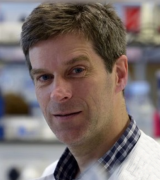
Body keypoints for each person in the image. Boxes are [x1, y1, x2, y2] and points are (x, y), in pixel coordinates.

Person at [20, 3, 160, 180]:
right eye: (44, 77)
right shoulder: (51, 175)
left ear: (119, 74)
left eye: (77, 70)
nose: (58, 93)